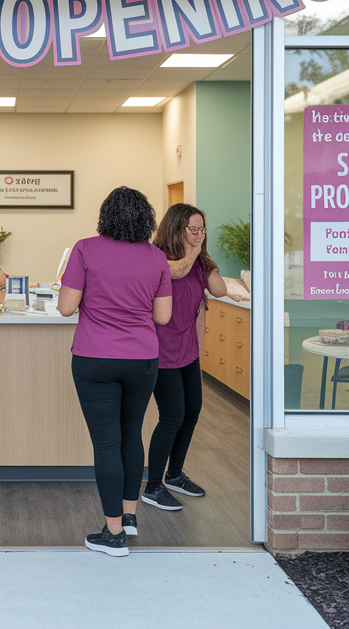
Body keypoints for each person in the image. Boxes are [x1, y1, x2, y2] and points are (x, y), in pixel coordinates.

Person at [56, 186, 172, 557]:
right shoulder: (156, 257)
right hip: (142, 359)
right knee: (130, 436)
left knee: (106, 443)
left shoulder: (86, 249)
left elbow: (65, 307)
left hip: (95, 358)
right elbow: (162, 316)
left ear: (106, 215)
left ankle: (113, 535)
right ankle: (130, 516)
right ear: (146, 218)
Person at [143, 203, 234, 511]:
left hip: (187, 350)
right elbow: (178, 270)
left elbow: (219, 290)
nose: (198, 235)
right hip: (160, 350)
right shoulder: (157, 259)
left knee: (191, 411)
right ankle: (152, 486)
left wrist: (209, 263)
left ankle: (175, 474)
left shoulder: (199, 262)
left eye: (202, 230)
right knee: (172, 415)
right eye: (192, 230)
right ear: (175, 228)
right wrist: (197, 252)